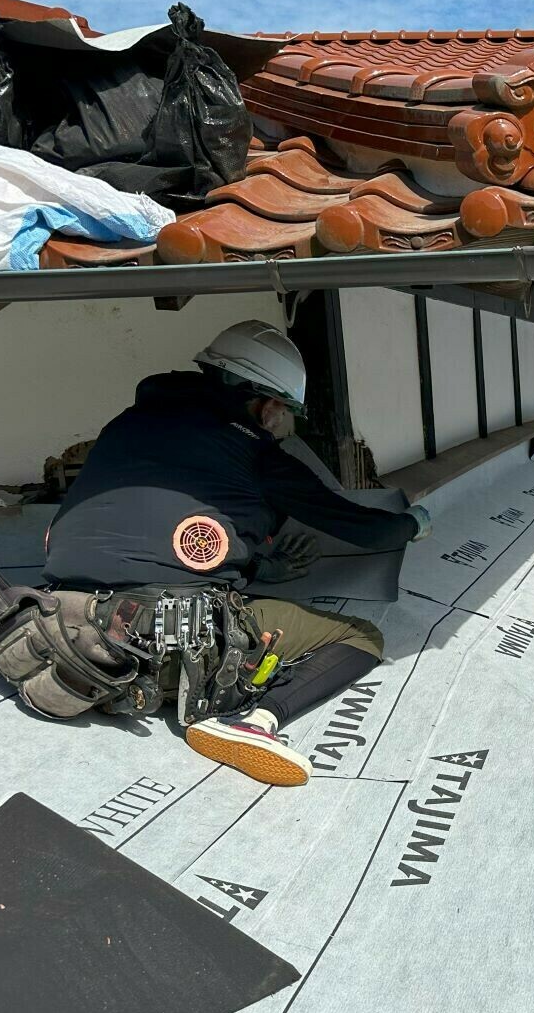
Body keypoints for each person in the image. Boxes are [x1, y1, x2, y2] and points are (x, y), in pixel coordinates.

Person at [43, 319, 430, 787]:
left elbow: (160, 532)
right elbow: (367, 531)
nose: (287, 426)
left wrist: (263, 565)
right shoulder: (258, 454)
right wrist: (415, 523)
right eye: (288, 413)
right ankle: (255, 722)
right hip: (166, 638)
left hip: (62, 625)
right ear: (267, 407)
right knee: (362, 638)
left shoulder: (122, 425)